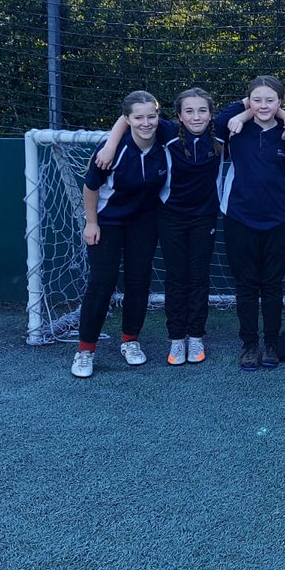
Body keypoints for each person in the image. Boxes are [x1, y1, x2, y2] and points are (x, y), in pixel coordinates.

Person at [97, 88, 224, 367]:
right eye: (188, 111)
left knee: (199, 277)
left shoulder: (222, 129)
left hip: (205, 218)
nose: (196, 116)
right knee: (176, 278)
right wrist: (109, 145)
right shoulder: (166, 131)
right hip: (170, 217)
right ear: (178, 115)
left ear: (211, 113)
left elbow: (254, 102)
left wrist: (270, 116)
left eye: (202, 110)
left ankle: (196, 337)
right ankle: (176, 339)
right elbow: (127, 117)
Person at [71, 91, 168, 379]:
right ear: (127, 120)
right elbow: (91, 188)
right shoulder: (111, 150)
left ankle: (131, 341)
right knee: (102, 282)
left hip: (144, 222)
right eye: (138, 117)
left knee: (139, 281)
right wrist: (91, 223)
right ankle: (85, 350)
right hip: (108, 222)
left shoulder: (165, 139)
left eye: (151, 116)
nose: (146, 122)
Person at [215, 76, 285, 371]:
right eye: (256, 100)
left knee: (273, 285)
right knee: (246, 285)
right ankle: (249, 345)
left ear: (280, 102)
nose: (263, 105)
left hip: (278, 218)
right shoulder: (233, 126)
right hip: (239, 217)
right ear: (247, 101)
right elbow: (220, 119)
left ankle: (272, 343)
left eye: (270, 100)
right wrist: (244, 111)